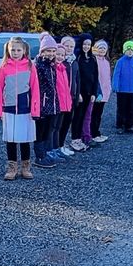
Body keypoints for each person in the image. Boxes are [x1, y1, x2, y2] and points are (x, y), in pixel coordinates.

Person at [0, 36, 40, 180]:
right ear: (8, 50)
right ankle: (12, 167)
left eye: (18, 49)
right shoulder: (4, 67)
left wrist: (35, 110)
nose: (15, 52)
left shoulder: (30, 66)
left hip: (25, 108)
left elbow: (35, 89)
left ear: (24, 50)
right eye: (13, 49)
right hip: (9, 108)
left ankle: (26, 167)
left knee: (25, 139)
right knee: (11, 140)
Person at [33, 35, 61, 169]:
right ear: (42, 51)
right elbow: (35, 86)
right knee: (40, 129)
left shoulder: (51, 65)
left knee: (48, 129)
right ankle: (39, 155)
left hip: (52, 104)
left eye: (53, 51)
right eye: (48, 50)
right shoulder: (38, 65)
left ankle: (44, 152)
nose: (51, 53)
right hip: (42, 104)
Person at [70, 33, 99, 151]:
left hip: (89, 93)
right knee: (77, 116)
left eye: (88, 44)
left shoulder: (92, 58)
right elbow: (77, 78)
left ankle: (82, 137)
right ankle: (75, 138)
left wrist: (94, 93)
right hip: (80, 94)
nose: (86, 46)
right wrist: (78, 93)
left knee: (84, 116)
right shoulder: (78, 58)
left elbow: (95, 76)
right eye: (84, 44)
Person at [48, 41, 72, 161]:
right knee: (52, 128)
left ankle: (56, 148)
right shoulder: (53, 69)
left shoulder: (63, 68)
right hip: (55, 104)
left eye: (62, 55)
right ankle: (50, 150)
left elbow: (66, 89)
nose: (60, 57)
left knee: (58, 127)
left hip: (63, 104)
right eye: (58, 54)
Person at [112, 40, 133, 134]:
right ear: (124, 51)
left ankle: (129, 125)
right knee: (121, 108)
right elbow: (116, 74)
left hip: (132, 90)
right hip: (122, 90)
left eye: (131, 50)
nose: (130, 52)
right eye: (128, 50)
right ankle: (120, 125)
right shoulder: (120, 62)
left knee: (131, 108)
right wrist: (115, 85)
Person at [57, 35, 78, 156]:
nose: (69, 48)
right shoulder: (60, 61)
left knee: (67, 122)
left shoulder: (74, 61)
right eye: (67, 46)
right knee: (58, 123)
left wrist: (77, 93)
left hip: (72, 97)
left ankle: (62, 144)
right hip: (61, 98)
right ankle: (57, 146)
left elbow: (77, 79)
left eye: (71, 46)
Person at [91, 39, 112, 143]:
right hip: (96, 92)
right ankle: (92, 133)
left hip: (105, 92)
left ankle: (96, 131)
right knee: (93, 113)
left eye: (104, 48)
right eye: (100, 48)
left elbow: (107, 77)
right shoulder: (94, 60)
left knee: (99, 114)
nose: (102, 50)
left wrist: (109, 89)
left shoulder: (106, 61)